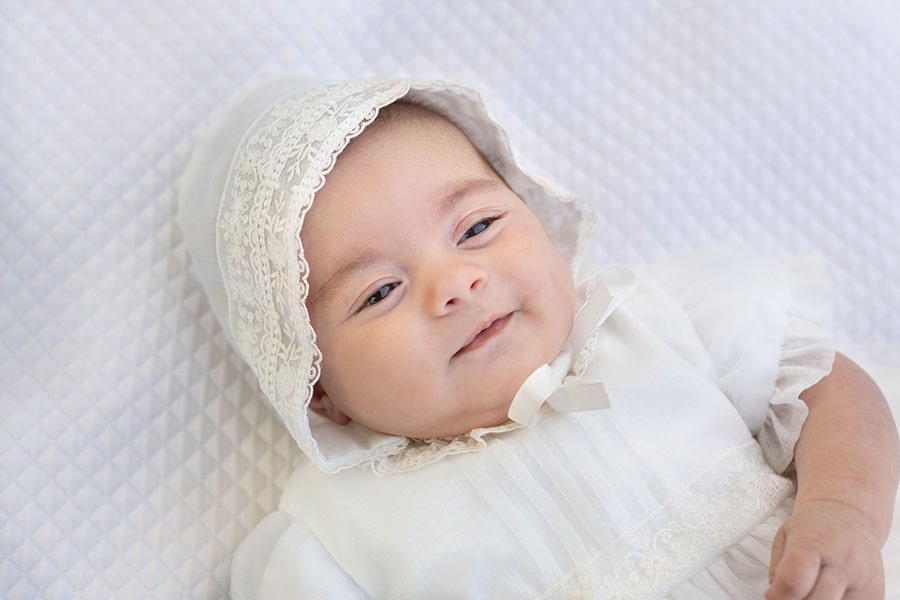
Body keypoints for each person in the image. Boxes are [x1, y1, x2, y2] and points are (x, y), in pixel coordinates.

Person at [177, 77, 899, 599]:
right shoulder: (337, 536)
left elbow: (827, 388)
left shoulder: (652, 322)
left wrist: (843, 512)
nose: (456, 283)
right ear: (316, 388)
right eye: (380, 291)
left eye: (476, 227)